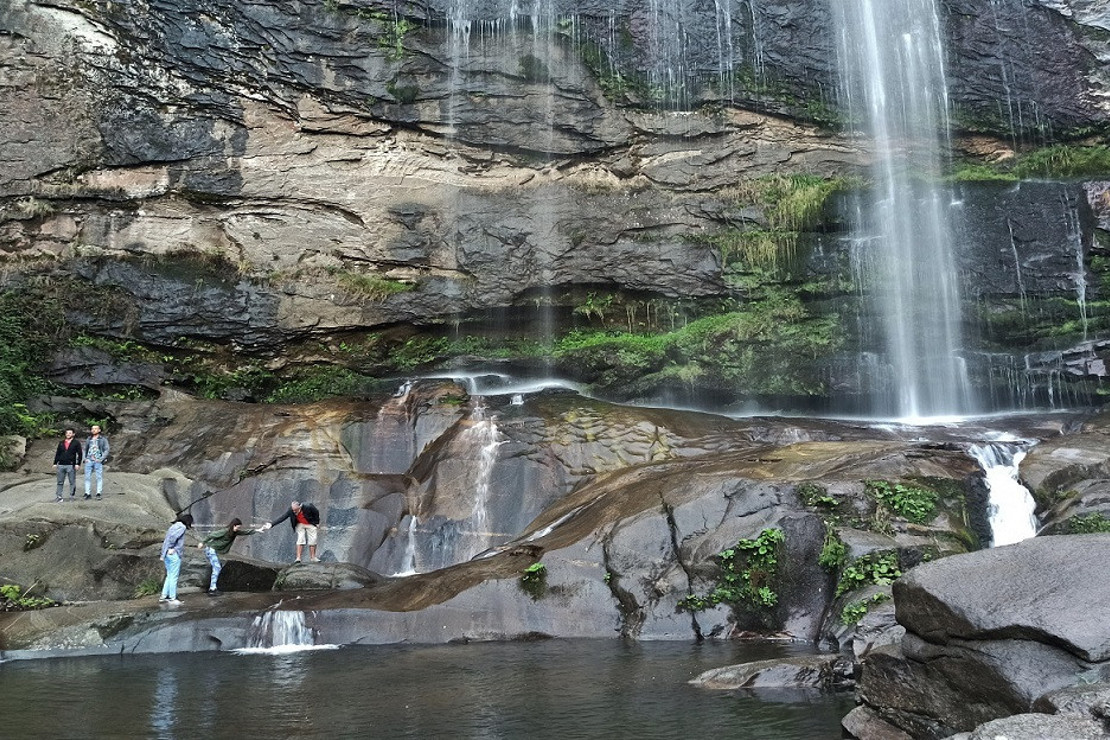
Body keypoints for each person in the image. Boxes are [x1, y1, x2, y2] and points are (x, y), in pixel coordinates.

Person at [197, 517, 260, 595]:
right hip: (211, 549)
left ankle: (213, 588)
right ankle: (212, 589)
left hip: (213, 551)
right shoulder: (225, 531)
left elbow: (245, 532)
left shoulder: (234, 532)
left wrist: (257, 530)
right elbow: (211, 535)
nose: (238, 528)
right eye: (238, 527)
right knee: (217, 567)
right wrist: (202, 542)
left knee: (217, 567)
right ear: (234, 525)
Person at [159, 513, 193, 605]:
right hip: (174, 554)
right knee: (174, 576)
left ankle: (164, 596)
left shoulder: (174, 526)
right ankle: (172, 598)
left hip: (166, 554)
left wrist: (165, 551)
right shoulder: (182, 527)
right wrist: (172, 548)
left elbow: (168, 538)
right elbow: (173, 538)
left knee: (169, 575)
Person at [52, 428, 83, 502]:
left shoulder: (76, 443)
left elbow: (80, 454)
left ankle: (72, 496)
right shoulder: (61, 443)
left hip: (71, 465)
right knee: (60, 481)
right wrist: (55, 463)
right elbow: (58, 453)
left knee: (72, 481)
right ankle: (59, 496)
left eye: (70, 433)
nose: (68, 434)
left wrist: (78, 464)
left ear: (73, 434)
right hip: (61, 464)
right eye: (67, 433)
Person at [83, 424, 110, 500]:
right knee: (87, 477)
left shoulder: (103, 439)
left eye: (95, 428)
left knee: (98, 477)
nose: (93, 430)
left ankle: (98, 493)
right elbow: (85, 449)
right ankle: (87, 493)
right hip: (89, 459)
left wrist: (101, 458)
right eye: (92, 429)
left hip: (98, 460)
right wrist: (85, 458)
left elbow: (106, 449)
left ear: (99, 430)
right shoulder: (89, 439)